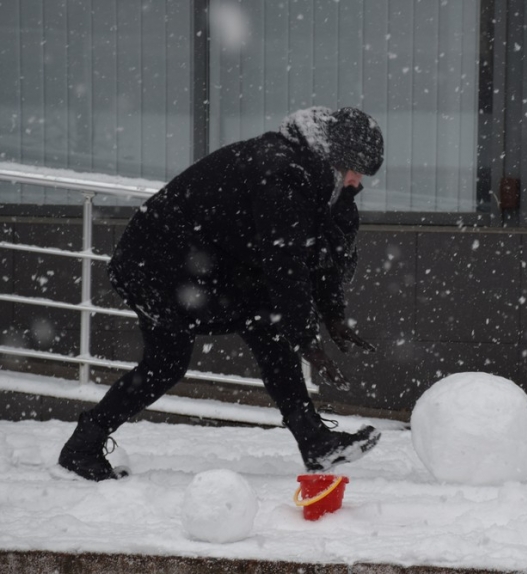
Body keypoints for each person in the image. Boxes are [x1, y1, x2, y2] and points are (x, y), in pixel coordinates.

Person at [59, 106, 384, 481]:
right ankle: (83, 446)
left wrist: (332, 314)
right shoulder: (281, 171)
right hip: (159, 268)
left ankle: (314, 441)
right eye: (356, 168)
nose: (359, 180)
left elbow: (320, 250)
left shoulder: (310, 176)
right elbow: (286, 264)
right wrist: (306, 337)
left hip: (201, 265)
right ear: (334, 156)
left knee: (255, 328)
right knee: (175, 359)